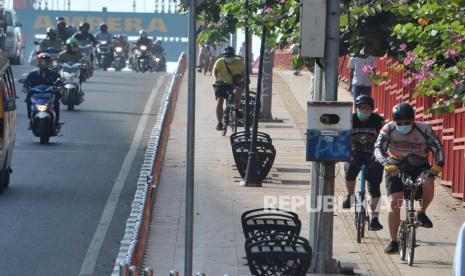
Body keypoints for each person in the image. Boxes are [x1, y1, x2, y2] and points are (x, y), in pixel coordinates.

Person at [374, 102, 444, 254]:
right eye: (400, 123)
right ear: (394, 121)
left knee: (429, 184)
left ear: (413, 120)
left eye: (407, 122)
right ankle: (393, 241)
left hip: (420, 166)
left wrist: (439, 163)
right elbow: (378, 148)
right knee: (395, 201)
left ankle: (422, 212)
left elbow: (437, 147)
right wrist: (386, 163)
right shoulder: (388, 129)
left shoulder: (424, 129)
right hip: (395, 166)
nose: (403, 125)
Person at [342, 95, 385, 231]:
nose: (364, 111)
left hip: (373, 155)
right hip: (355, 154)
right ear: (356, 108)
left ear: (372, 109)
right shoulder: (350, 119)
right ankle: (350, 195)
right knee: (349, 171)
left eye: (367, 108)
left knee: (374, 188)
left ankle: (374, 219)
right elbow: (342, 135)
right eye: (361, 108)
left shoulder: (378, 121)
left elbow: (386, 138)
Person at [23, 53, 62, 129]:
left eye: (47, 61)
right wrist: (26, 87)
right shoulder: (32, 74)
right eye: (42, 61)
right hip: (36, 95)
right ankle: (31, 120)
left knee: (56, 102)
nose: (44, 63)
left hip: (49, 95)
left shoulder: (54, 74)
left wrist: (59, 87)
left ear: (50, 63)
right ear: (38, 62)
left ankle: (56, 121)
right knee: (28, 101)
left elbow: (59, 82)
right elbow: (27, 83)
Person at [212, 46, 245, 131]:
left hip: (234, 83)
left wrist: (244, 80)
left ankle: (236, 109)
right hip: (222, 82)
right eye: (227, 56)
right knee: (220, 100)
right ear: (224, 56)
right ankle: (219, 122)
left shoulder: (239, 62)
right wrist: (216, 79)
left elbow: (244, 73)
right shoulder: (219, 62)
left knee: (238, 91)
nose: (229, 58)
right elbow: (214, 72)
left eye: (231, 56)